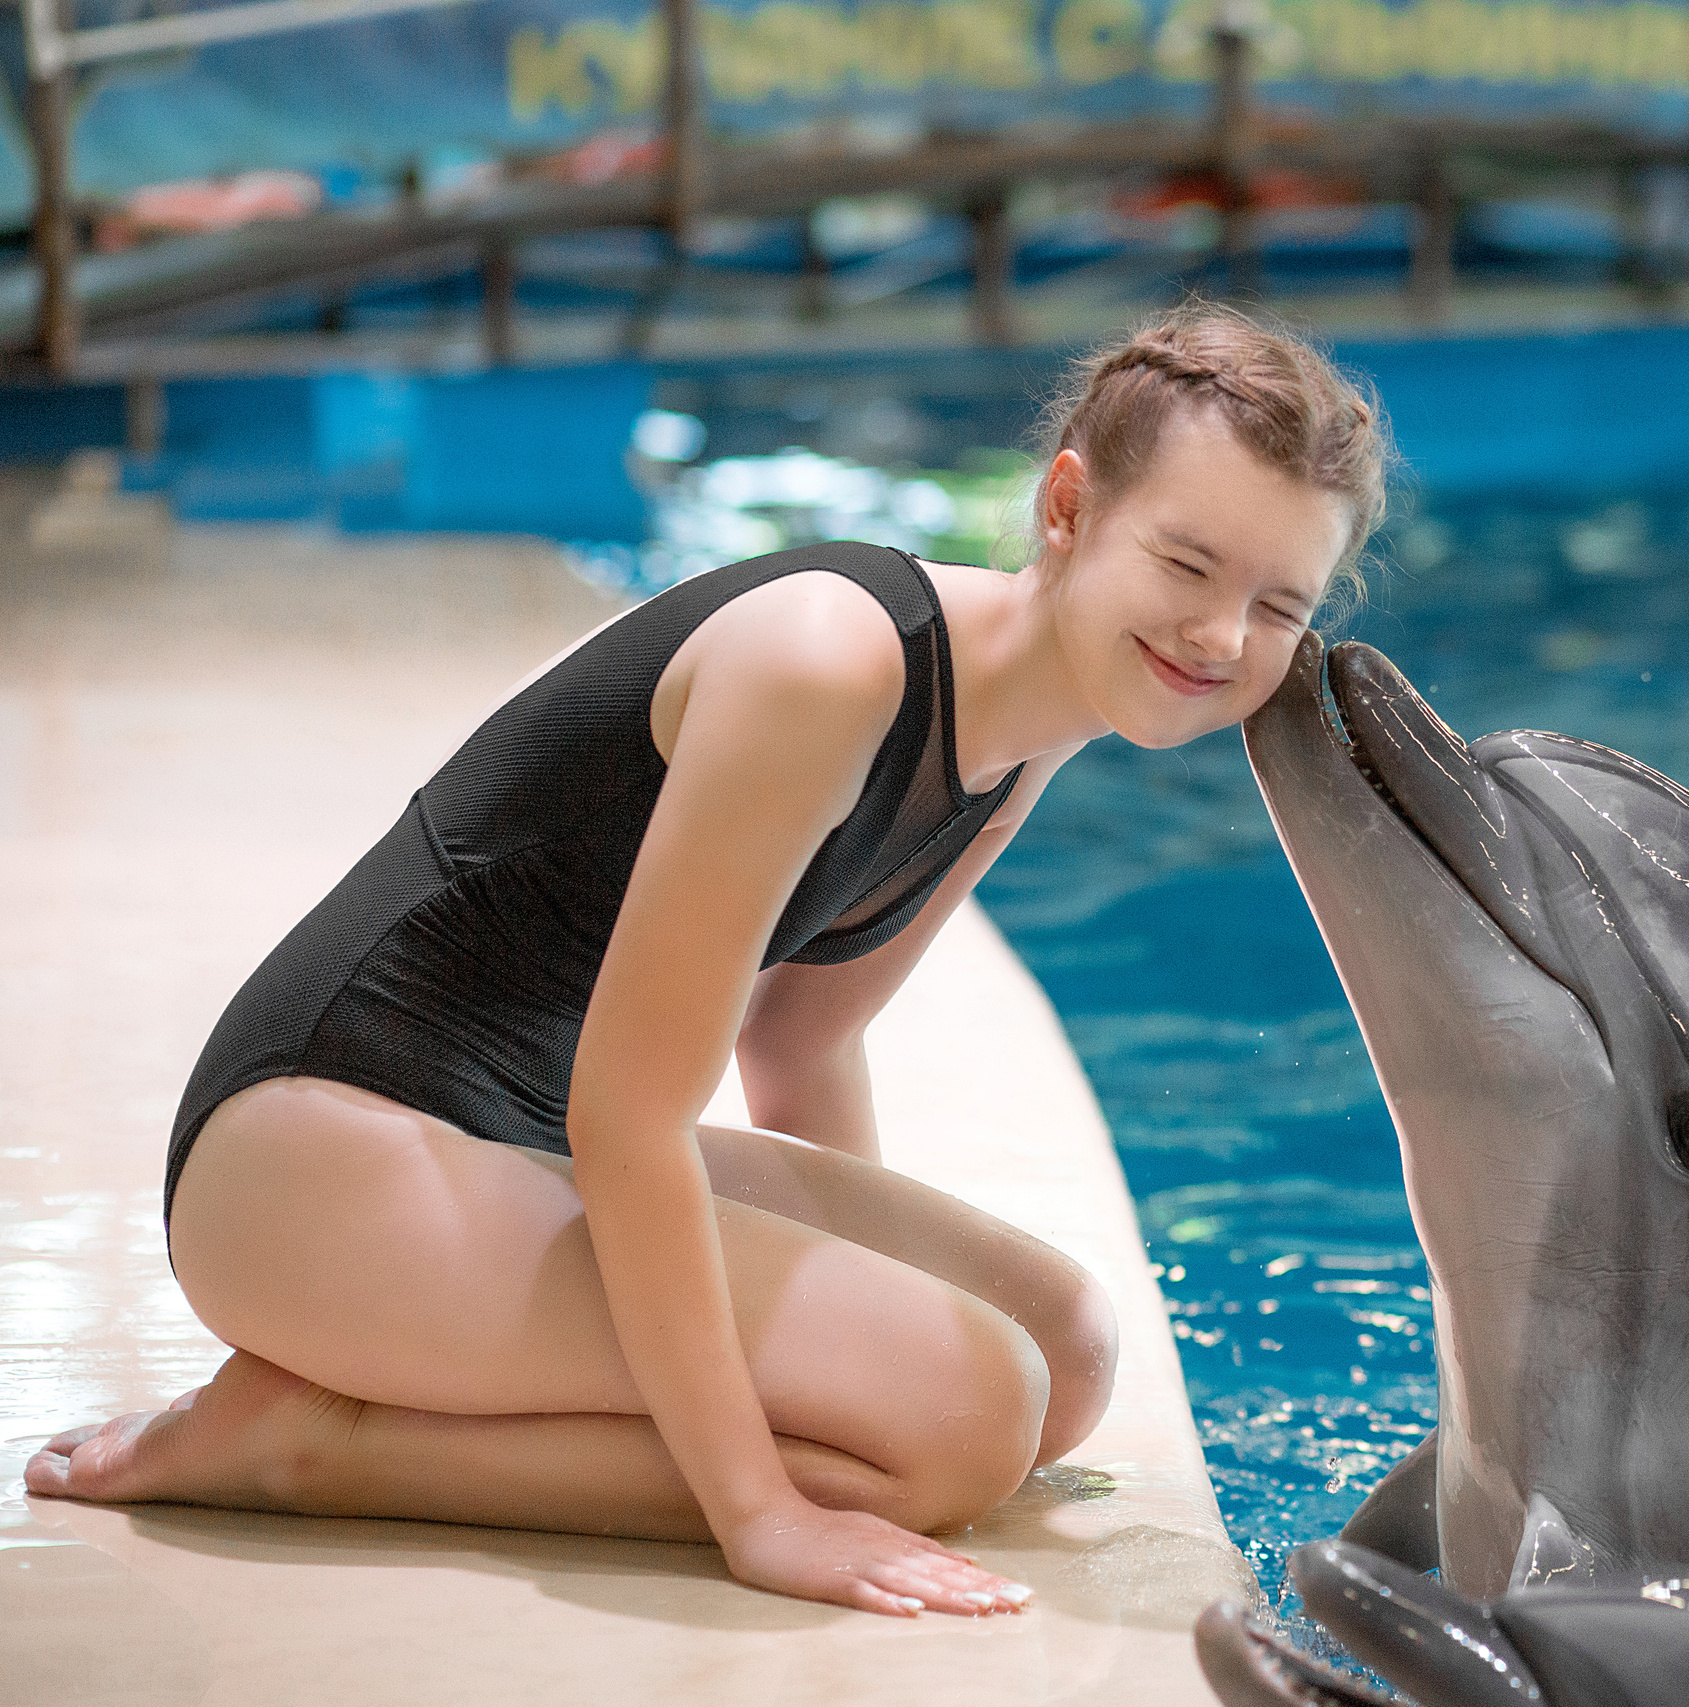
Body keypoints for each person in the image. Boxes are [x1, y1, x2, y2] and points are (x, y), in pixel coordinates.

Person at [23, 305, 1390, 1617]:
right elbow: (630, 1116)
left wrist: (869, 1343)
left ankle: (396, 1404)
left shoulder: (1033, 727)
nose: (1222, 637)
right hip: (312, 1163)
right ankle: (308, 1446)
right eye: (1187, 566)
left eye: (1279, 603)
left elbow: (800, 1042)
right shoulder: (829, 664)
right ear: (1068, 508)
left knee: (1065, 1357)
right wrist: (760, 1509)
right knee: (968, 1422)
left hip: (507, 1148)